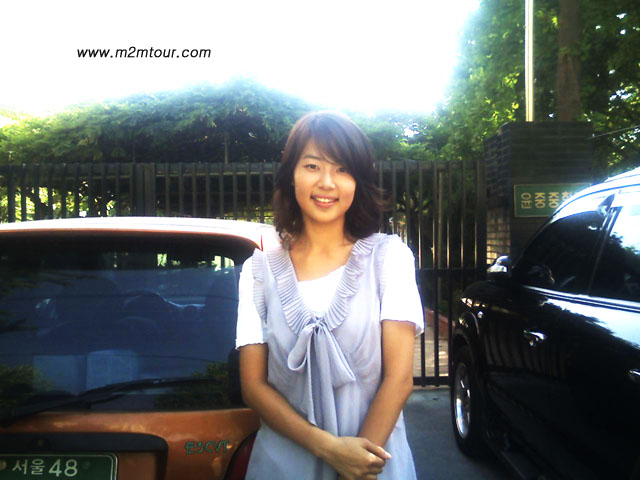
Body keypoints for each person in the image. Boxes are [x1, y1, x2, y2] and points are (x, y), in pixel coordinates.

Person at [236, 111, 424, 480]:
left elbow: (399, 379)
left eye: (342, 169)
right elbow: (253, 386)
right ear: (291, 174)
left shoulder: (390, 259)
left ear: (358, 182)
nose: (326, 182)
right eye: (312, 166)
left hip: (373, 467)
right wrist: (330, 450)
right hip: (282, 468)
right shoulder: (257, 272)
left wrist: (356, 466)